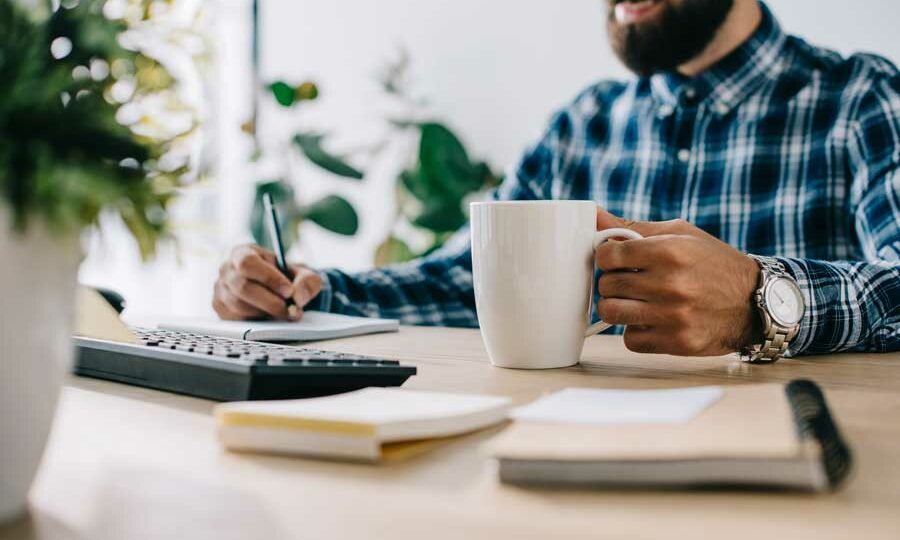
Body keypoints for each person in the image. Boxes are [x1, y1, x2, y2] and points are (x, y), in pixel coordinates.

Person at [214, 0, 900, 360]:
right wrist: (309, 292)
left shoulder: (862, 99)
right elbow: (466, 280)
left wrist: (762, 298)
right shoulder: (585, 122)